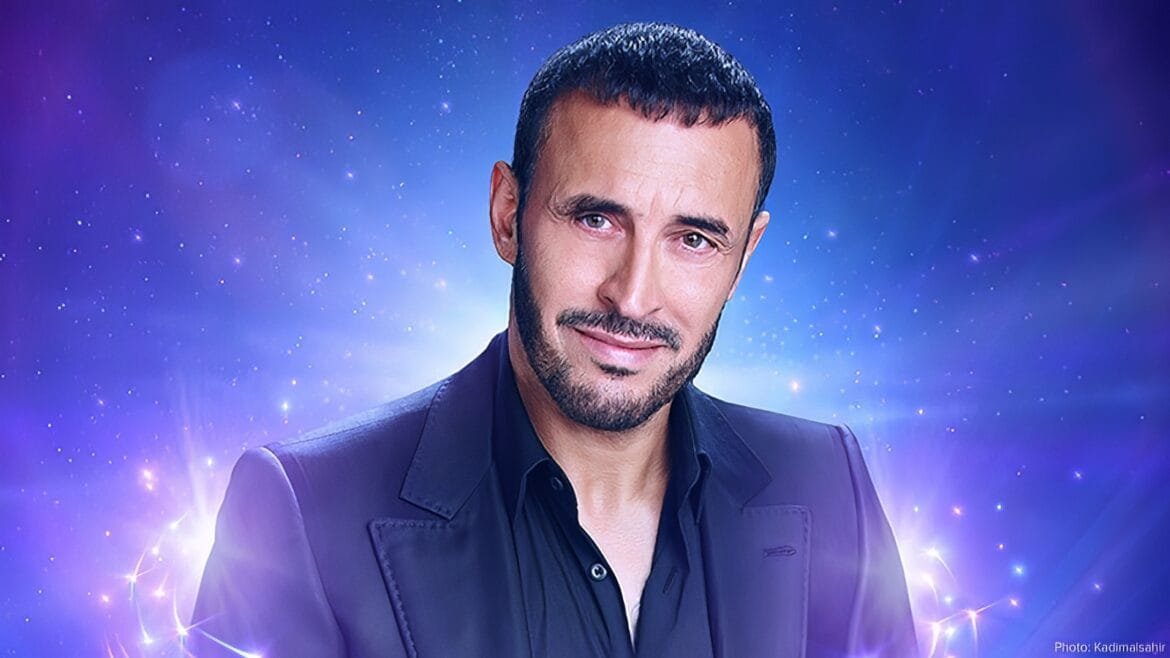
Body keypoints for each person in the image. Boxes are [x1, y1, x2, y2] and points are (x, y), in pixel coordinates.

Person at [190, 22, 918, 658]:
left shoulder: (828, 484)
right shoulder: (306, 511)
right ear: (508, 214)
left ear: (744, 258)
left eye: (693, 239)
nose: (632, 295)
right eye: (596, 219)